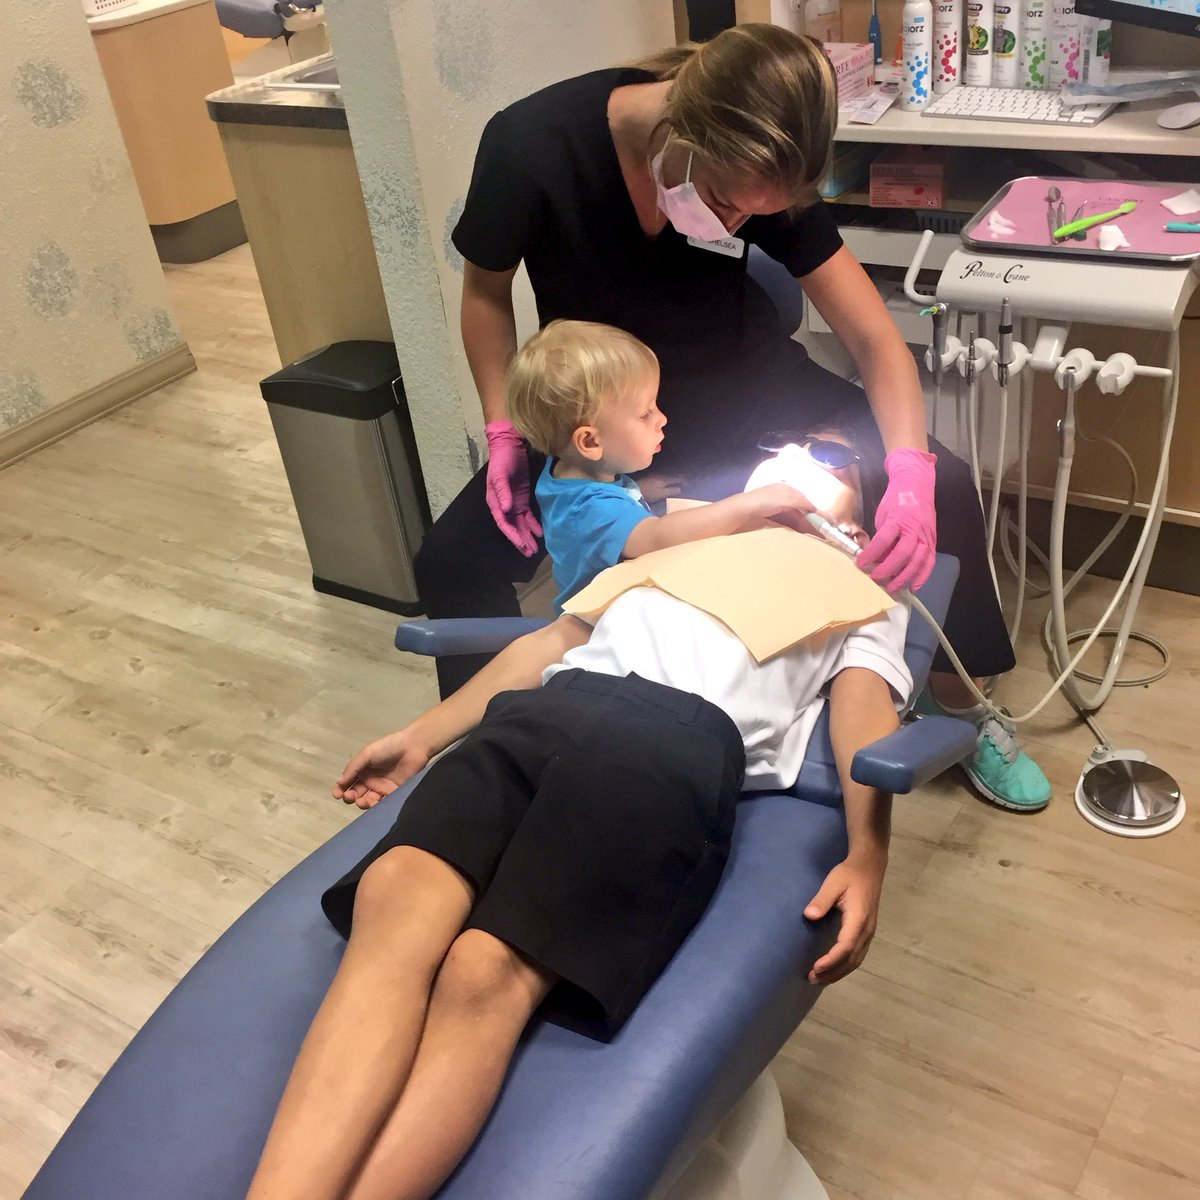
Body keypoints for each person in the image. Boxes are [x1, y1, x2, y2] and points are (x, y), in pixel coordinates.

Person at [413, 22, 1050, 812]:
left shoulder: (762, 167)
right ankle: (488, 754)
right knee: (450, 557)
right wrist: (505, 428)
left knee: (944, 477)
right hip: (610, 415)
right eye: (723, 202)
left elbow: (873, 337)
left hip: (746, 384)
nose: (739, 224)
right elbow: (483, 297)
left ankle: (962, 698)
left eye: (758, 214)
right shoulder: (532, 146)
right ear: (684, 127)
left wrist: (910, 476)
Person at [243, 451, 909, 1200]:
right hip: (543, 713)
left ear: (852, 519)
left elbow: (864, 705)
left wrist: (868, 851)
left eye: (828, 457)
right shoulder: (677, 538)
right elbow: (551, 644)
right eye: (787, 450)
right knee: (393, 895)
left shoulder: (865, 587)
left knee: (482, 971)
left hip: (672, 744)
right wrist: (424, 734)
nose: (798, 458)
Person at [506, 318, 821, 608]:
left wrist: (639, 490)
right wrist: (747, 504)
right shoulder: (591, 510)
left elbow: (599, 514)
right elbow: (656, 536)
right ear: (590, 442)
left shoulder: (565, 472)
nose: (662, 419)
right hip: (606, 627)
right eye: (645, 414)